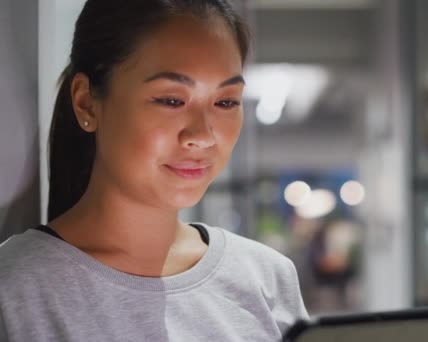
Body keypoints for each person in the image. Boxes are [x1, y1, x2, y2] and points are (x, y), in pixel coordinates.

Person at [0, 1, 308, 341]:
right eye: (171, 100)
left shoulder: (266, 278)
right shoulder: (15, 290)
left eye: (225, 102)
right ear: (86, 102)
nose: (203, 136)